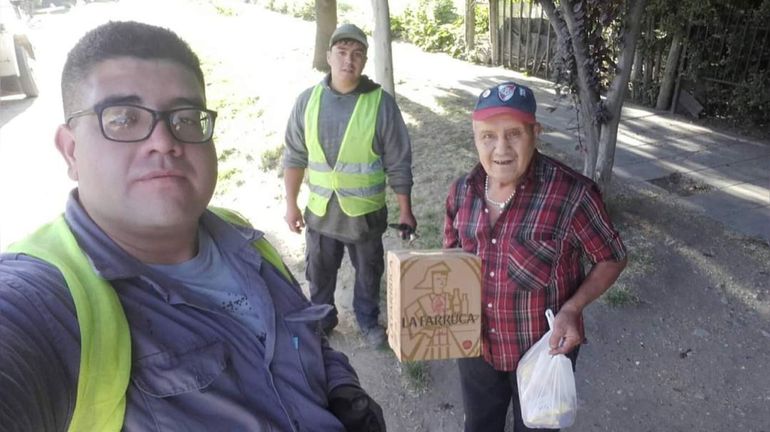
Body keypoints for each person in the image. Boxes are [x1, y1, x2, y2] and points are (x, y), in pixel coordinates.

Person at [0, 21, 386, 432]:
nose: (164, 140)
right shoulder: (41, 300)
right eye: (124, 118)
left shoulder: (241, 237)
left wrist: (346, 397)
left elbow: (304, 332)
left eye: (186, 118)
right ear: (71, 150)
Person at [444, 81, 628, 432]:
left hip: (544, 350)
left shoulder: (572, 195)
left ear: (535, 132)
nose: (501, 149)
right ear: (475, 136)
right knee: (480, 425)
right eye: (488, 136)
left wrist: (572, 309)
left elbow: (613, 257)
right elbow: (451, 263)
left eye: (514, 134)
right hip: (476, 347)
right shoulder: (461, 192)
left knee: (538, 427)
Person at [283, 23, 416, 347]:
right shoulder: (307, 101)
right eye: (342, 53)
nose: (348, 61)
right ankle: (323, 319)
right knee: (319, 274)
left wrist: (406, 210)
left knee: (369, 274)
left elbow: (398, 160)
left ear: (365, 61)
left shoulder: (380, 104)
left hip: (364, 216)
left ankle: (368, 321)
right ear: (328, 56)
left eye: (357, 54)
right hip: (321, 214)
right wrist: (291, 204)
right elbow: (294, 156)